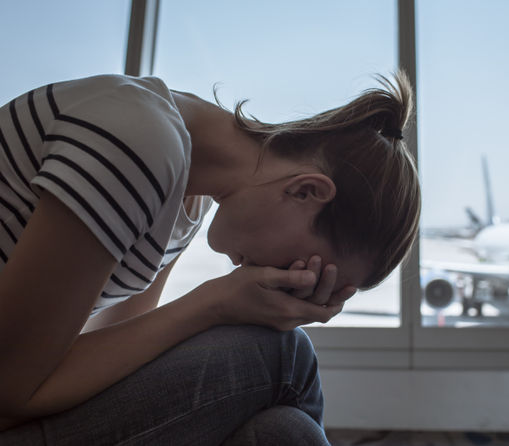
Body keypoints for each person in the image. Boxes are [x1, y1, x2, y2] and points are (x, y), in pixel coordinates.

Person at [0, 71, 420, 445]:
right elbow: (11, 386)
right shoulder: (140, 139)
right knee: (288, 356)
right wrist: (215, 303)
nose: (286, 278)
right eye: (304, 268)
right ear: (306, 191)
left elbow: (115, 360)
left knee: (283, 433)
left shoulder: (188, 195)